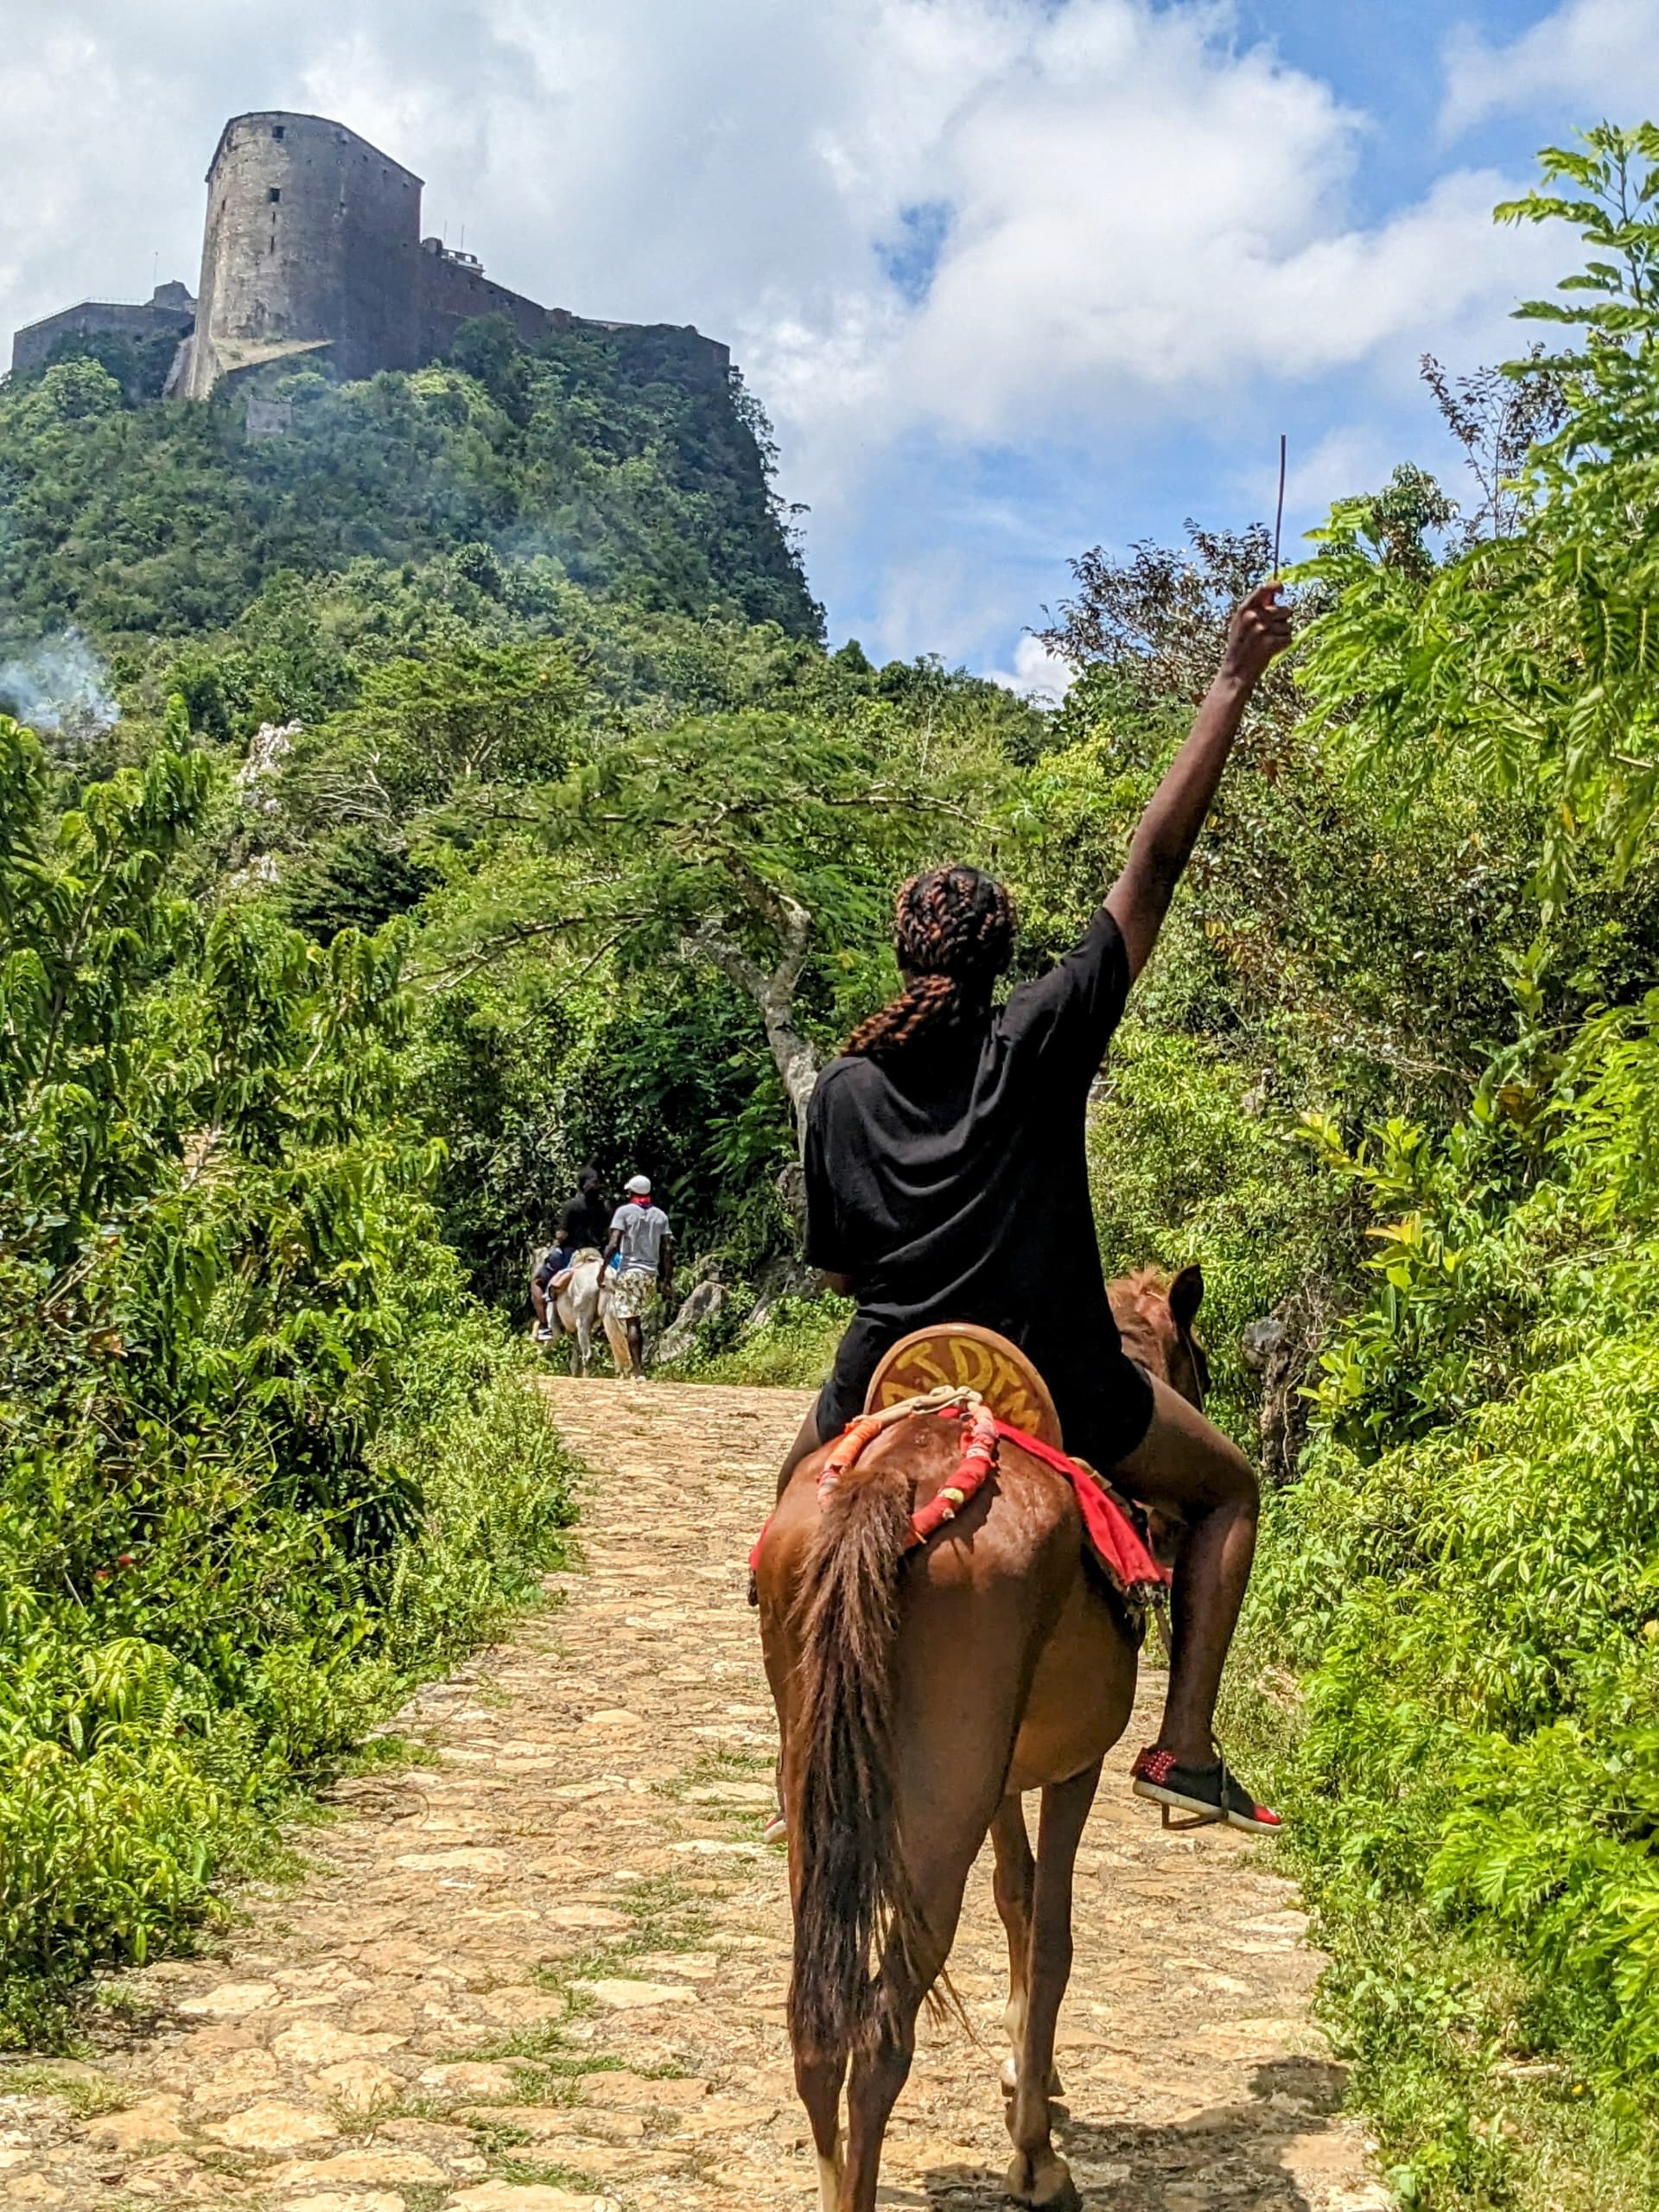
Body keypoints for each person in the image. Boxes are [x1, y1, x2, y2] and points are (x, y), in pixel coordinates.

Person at [779, 580, 1292, 1833]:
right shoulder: (1040, 1037)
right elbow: (1153, 865)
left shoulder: (842, 1089)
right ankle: (1183, 1745)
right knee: (1228, 1491)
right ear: (1004, 956)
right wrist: (1229, 681)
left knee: (783, 1533)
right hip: (1057, 1375)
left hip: (883, 1375)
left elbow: (843, 1277)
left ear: (905, 955)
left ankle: (802, 1727)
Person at [599, 1174, 676, 1380]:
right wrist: (667, 1280)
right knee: (641, 1321)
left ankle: (638, 1370)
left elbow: (613, 1244)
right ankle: (642, 1365)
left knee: (632, 1322)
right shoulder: (660, 1216)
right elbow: (667, 1248)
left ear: (631, 1192)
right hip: (651, 1274)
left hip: (629, 1273)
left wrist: (602, 1271)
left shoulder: (623, 1212)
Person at [531, 1167, 613, 1342]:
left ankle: (545, 1327)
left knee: (537, 1282)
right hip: (597, 1251)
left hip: (572, 1252)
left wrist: (558, 1239)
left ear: (581, 1185)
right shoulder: (605, 1207)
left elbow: (562, 1235)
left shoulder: (572, 1206)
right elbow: (609, 1232)